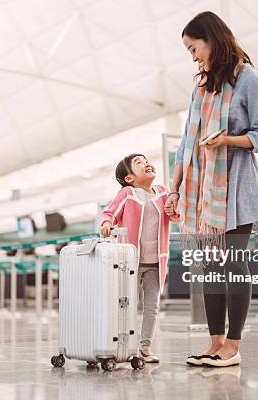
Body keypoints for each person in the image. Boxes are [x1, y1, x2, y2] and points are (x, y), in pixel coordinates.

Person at [164, 11, 258, 367]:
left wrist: (228, 139)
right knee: (210, 268)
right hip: (202, 197)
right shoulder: (199, 90)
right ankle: (214, 344)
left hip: (236, 192)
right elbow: (186, 144)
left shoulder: (251, 81)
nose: (193, 56)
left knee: (233, 267)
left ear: (212, 39)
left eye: (194, 48)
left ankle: (233, 345)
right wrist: (174, 191)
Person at [100, 153, 180, 363]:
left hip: (156, 262)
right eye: (139, 163)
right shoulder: (128, 193)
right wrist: (107, 224)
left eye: (146, 160)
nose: (146, 164)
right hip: (130, 262)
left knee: (152, 306)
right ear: (129, 178)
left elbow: (175, 215)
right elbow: (109, 213)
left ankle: (145, 348)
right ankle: (119, 345)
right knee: (126, 304)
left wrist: (174, 209)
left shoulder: (163, 192)